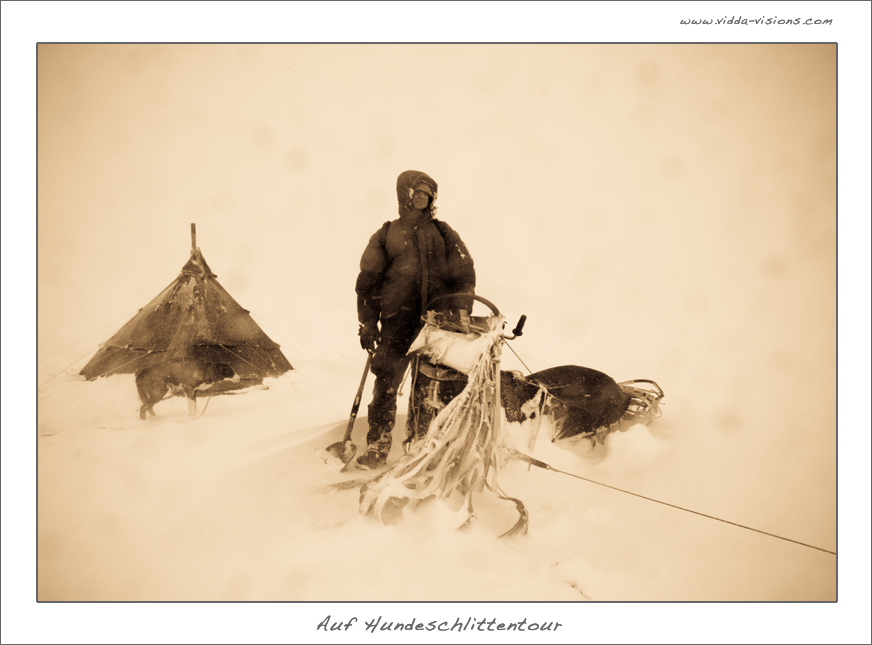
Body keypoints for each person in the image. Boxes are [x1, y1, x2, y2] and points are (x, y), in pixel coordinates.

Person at [355, 170, 476, 469]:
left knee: (428, 390)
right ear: (404, 196)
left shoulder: (445, 233)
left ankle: (420, 446)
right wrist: (368, 323)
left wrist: (460, 312)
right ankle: (378, 445)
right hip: (397, 324)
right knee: (385, 384)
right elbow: (368, 282)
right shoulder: (386, 234)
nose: (422, 197)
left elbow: (464, 274)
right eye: (417, 192)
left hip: (436, 326)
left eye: (427, 193)